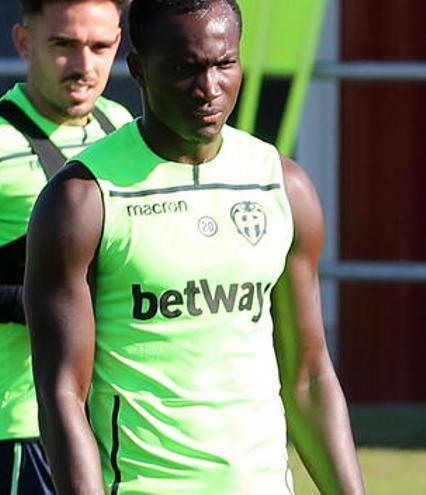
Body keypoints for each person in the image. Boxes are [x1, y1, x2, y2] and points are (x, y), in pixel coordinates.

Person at [23, 0, 364, 493]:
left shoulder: (283, 186)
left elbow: (309, 376)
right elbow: (62, 396)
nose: (209, 88)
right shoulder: (81, 200)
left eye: (223, 64)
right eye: (184, 68)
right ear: (139, 69)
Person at [0, 0, 132, 493]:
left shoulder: (121, 128)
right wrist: (34, 301)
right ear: (23, 42)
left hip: (107, 421)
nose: (84, 66)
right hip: (18, 426)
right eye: (64, 45)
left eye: (100, 47)